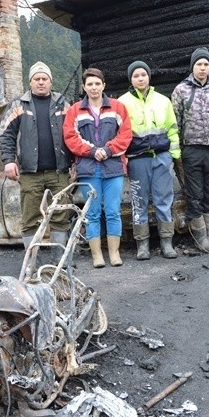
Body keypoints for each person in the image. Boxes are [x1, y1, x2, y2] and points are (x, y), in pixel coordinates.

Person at [0, 61, 72, 258]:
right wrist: (9, 160)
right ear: (30, 82)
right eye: (37, 79)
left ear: (50, 81)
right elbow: (6, 134)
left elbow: (74, 133)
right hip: (30, 172)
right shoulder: (18, 105)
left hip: (60, 171)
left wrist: (76, 162)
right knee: (30, 217)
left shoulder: (63, 104)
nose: (41, 82)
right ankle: (32, 262)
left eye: (44, 79)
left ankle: (60, 259)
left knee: (60, 215)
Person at [63, 68, 132, 268]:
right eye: (90, 84)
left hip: (113, 168)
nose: (94, 87)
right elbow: (70, 137)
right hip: (88, 168)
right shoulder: (75, 110)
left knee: (113, 211)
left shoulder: (118, 107)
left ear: (104, 85)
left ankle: (114, 253)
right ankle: (97, 255)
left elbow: (125, 134)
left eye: (97, 83)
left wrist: (109, 150)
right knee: (92, 213)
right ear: (84, 87)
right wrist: (92, 151)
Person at [118, 61, 180, 260]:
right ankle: (142, 244)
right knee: (139, 201)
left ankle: (166, 242)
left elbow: (172, 128)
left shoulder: (163, 101)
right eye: (136, 75)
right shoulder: (122, 102)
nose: (140, 78)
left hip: (161, 157)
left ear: (149, 77)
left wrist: (173, 155)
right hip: (137, 159)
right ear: (131, 79)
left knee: (164, 199)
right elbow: (119, 133)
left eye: (143, 74)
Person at [171, 47, 209, 252]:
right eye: (199, 64)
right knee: (194, 193)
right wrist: (179, 146)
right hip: (191, 149)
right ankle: (199, 237)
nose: (203, 68)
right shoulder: (181, 90)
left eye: (206, 64)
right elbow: (175, 120)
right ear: (192, 67)